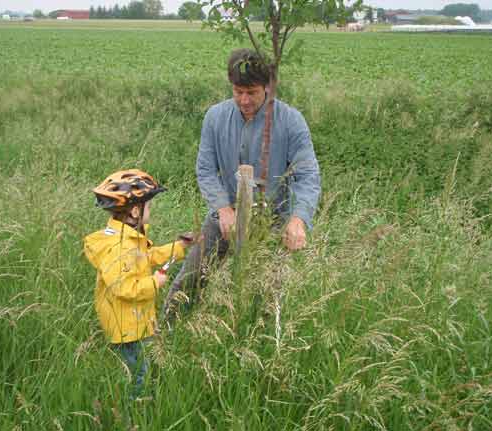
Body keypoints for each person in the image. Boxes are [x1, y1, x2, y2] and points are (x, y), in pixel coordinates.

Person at [164, 48, 321, 321]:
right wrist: (223, 209)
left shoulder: (291, 121)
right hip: (225, 216)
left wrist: (298, 220)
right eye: (238, 92)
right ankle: (164, 335)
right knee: (189, 280)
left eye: (252, 92)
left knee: (267, 294)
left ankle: (259, 345)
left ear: (268, 88)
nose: (244, 100)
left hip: (272, 222)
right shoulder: (215, 117)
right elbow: (205, 169)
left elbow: (307, 176)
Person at [84, 169, 191, 399]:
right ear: (135, 211)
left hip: (137, 321)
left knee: (144, 369)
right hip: (127, 329)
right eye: (148, 206)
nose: (150, 210)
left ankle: (138, 405)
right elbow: (123, 288)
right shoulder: (120, 248)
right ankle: (134, 412)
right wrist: (155, 282)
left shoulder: (130, 237)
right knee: (138, 376)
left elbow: (147, 257)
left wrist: (179, 247)